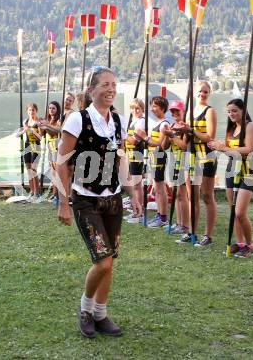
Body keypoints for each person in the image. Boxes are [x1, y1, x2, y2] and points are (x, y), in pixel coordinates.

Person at [57, 66, 141, 338]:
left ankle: (101, 314)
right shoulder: (77, 120)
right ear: (91, 90)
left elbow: (120, 159)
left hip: (112, 199)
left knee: (110, 261)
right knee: (102, 260)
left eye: (114, 84)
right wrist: (63, 202)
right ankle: (85, 310)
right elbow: (61, 163)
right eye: (105, 84)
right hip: (86, 199)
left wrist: (133, 192)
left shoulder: (117, 120)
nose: (111, 89)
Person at [208, 98, 253, 257]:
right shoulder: (231, 128)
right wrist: (218, 147)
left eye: (234, 111)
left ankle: (250, 246)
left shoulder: (249, 126)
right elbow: (230, 150)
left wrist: (224, 148)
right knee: (232, 210)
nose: (231, 114)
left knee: (240, 212)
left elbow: (249, 149)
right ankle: (240, 242)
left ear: (243, 111)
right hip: (231, 170)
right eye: (229, 111)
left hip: (247, 170)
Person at [173, 81, 217, 246]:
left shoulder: (209, 111)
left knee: (207, 196)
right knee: (192, 197)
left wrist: (191, 130)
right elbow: (185, 142)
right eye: (200, 91)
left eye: (205, 92)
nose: (202, 94)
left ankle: (208, 235)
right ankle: (191, 232)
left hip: (207, 157)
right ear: (195, 93)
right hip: (191, 157)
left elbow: (209, 137)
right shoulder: (189, 112)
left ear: (209, 93)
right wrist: (178, 132)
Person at [135, 96, 170, 228]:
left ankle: (163, 217)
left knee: (160, 188)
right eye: (151, 106)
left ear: (162, 108)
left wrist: (145, 137)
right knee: (157, 187)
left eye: (155, 106)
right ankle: (159, 214)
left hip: (159, 156)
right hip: (152, 156)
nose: (152, 109)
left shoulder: (164, 124)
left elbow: (160, 144)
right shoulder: (157, 122)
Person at [163, 100, 189, 234]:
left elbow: (184, 146)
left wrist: (172, 135)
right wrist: (167, 136)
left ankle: (185, 224)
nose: (174, 113)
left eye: (177, 110)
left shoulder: (185, 126)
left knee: (181, 194)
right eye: (172, 111)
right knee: (175, 194)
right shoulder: (172, 125)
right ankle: (178, 223)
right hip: (173, 160)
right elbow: (164, 147)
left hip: (183, 161)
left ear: (183, 110)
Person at [124, 98, 145, 223]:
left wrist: (122, 134)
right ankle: (135, 209)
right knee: (133, 183)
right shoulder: (133, 121)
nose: (135, 110)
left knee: (137, 185)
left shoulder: (141, 122)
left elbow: (134, 141)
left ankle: (139, 211)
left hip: (137, 153)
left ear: (142, 109)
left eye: (137, 108)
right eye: (133, 108)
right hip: (131, 154)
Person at [16, 103, 42, 202]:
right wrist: (24, 130)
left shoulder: (39, 122)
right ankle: (31, 191)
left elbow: (40, 137)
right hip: (27, 147)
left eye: (33, 110)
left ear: (36, 111)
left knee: (34, 170)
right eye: (30, 110)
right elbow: (17, 135)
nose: (31, 112)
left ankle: (37, 192)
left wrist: (32, 130)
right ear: (27, 111)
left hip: (36, 146)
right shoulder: (25, 122)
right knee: (29, 170)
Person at [40, 101, 61, 205]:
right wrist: (40, 125)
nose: (51, 110)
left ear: (57, 109)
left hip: (56, 148)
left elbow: (57, 130)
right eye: (50, 108)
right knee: (53, 173)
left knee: (57, 173)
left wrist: (47, 126)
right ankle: (54, 193)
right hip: (49, 148)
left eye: (53, 108)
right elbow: (42, 134)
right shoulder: (47, 120)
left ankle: (57, 194)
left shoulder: (58, 120)